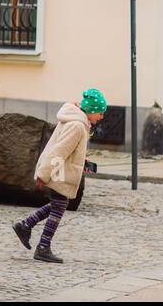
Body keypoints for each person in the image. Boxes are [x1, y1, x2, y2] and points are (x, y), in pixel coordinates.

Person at [12, 87, 106, 264]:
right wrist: (43, 174)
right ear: (92, 111)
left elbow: (68, 150)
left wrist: (81, 160)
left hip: (61, 171)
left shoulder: (78, 123)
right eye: (100, 113)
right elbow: (59, 151)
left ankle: (25, 226)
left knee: (58, 205)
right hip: (59, 172)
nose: (101, 117)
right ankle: (42, 247)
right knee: (59, 207)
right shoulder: (77, 126)